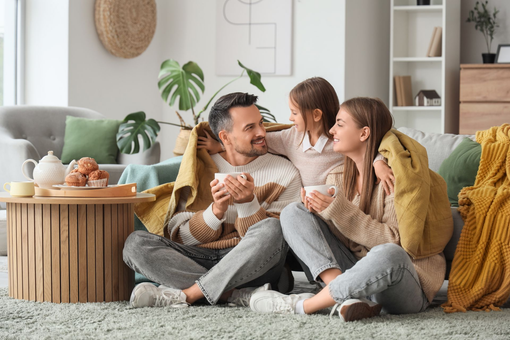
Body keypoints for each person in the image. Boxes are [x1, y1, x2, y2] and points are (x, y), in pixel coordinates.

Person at [249, 97, 447, 321]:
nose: (332, 130)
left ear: (364, 134)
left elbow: (396, 242)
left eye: (340, 124)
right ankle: (348, 295)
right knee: (293, 212)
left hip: (403, 283)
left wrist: (339, 211)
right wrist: (320, 213)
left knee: (389, 253)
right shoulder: (337, 177)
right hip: (354, 270)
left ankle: (304, 305)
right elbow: (345, 239)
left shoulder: (395, 178)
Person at [123, 92, 302, 308]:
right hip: (202, 255)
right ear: (225, 137)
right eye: (250, 128)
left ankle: (189, 294)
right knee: (135, 244)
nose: (262, 132)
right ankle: (234, 295)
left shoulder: (285, 172)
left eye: (261, 124)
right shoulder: (201, 167)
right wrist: (215, 212)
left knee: (273, 228)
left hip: (249, 261)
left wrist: (248, 204)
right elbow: (179, 236)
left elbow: (279, 241)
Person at [198, 77, 395, 194]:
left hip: (338, 201)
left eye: (295, 112)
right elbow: (258, 142)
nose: (290, 118)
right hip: (309, 205)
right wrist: (221, 146)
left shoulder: (340, 140)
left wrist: (378, 163)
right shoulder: (291, 138)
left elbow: (367, 148)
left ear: (316, 115)